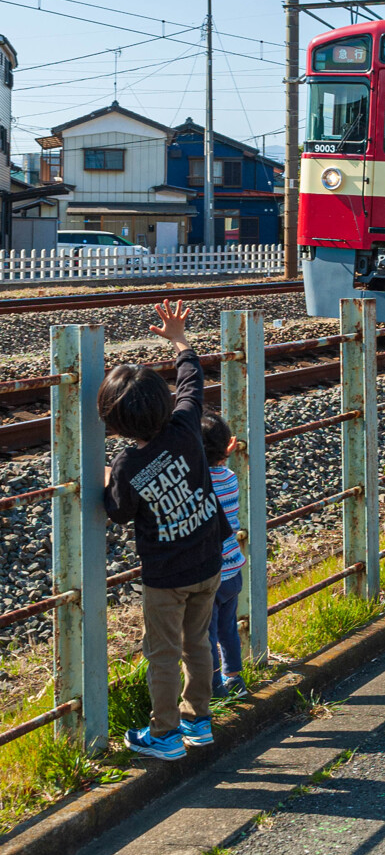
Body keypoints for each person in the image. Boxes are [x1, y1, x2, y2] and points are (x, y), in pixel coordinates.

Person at [98, 299, 228, 761]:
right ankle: (199, 720)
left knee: (162, 653)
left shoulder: (128, 463)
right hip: (208, 561)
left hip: (165, 577)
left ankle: (166, 734)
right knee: (199, 644)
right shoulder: (187, 425)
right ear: (165, 402)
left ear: (113, 423)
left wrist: (107, 476)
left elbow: (117, 512)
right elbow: (193, 381)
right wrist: (180, 342)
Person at [200, 411, 248, 699]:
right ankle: (235, 678)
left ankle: (214, 686)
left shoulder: (199, 481)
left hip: (210, 574)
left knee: (205, 634)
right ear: (229, 446)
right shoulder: (229, 478)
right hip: (233, 569)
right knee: (227, 627)